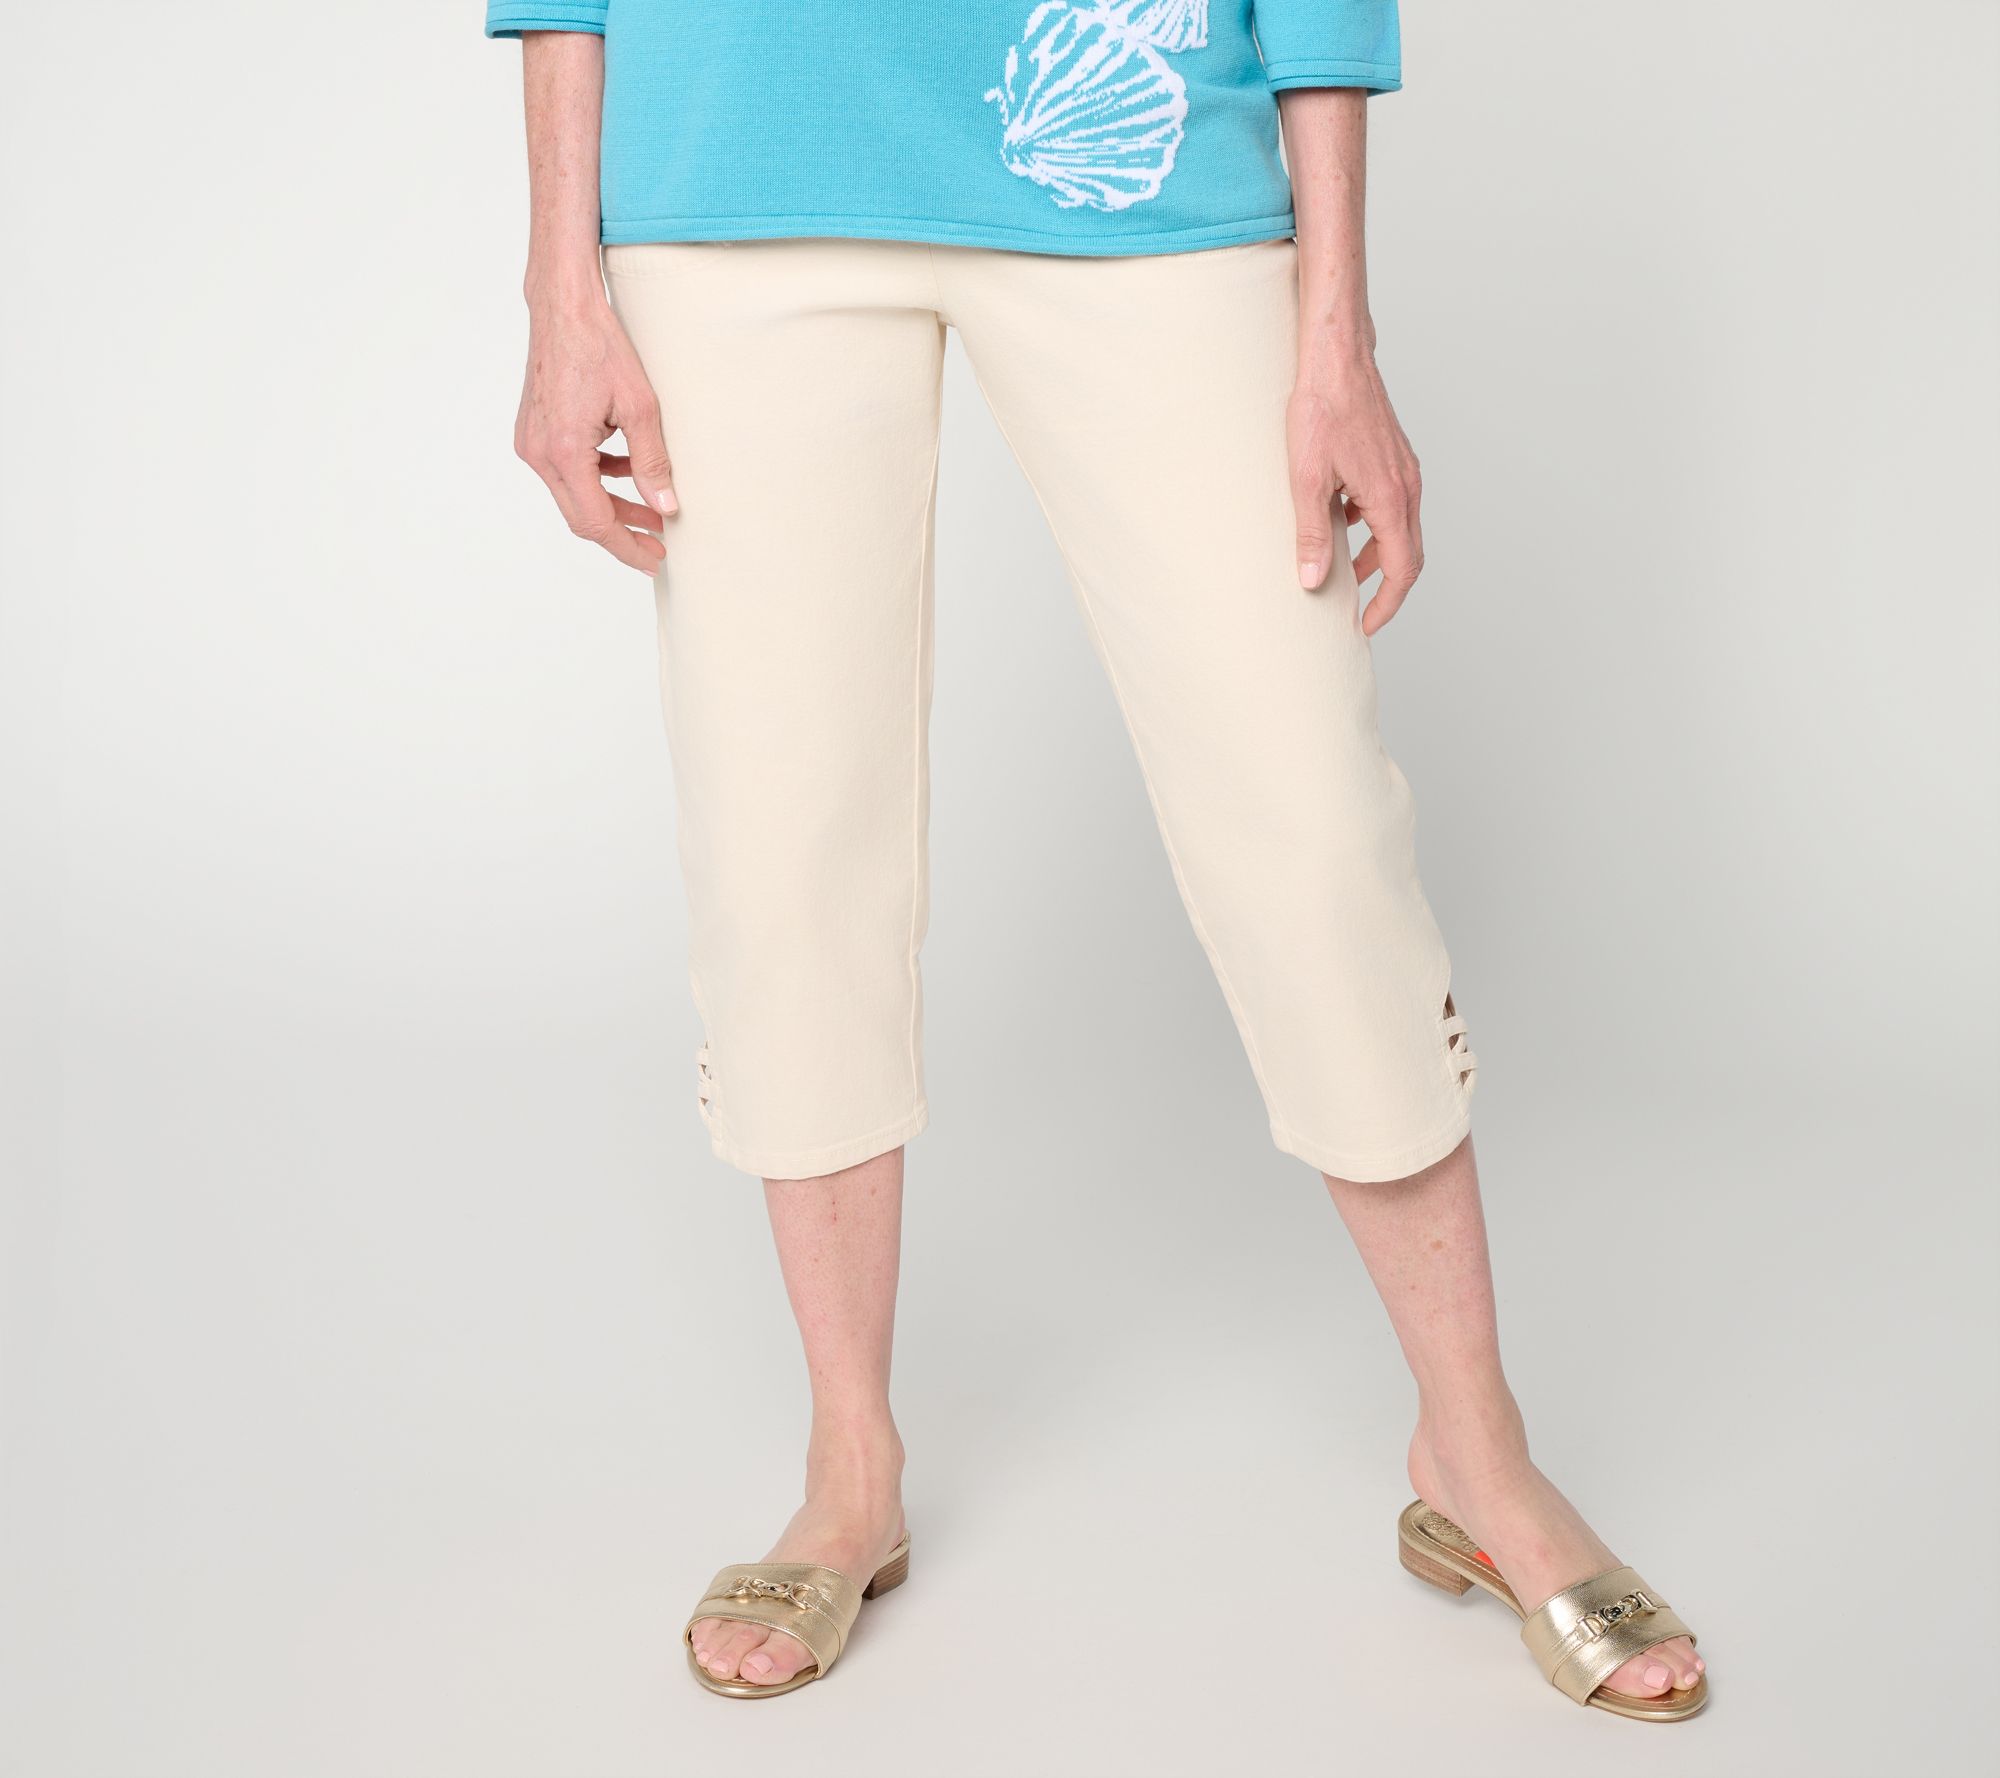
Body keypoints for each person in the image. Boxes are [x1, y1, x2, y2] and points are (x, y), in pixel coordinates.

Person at [487, 0, 1708, 1721]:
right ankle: (849, 1466)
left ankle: (1476, 1449)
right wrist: (559, 279)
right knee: (784, 843)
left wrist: (1337, 328)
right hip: (733, 158)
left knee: (1309, 832)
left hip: (1137, 151)